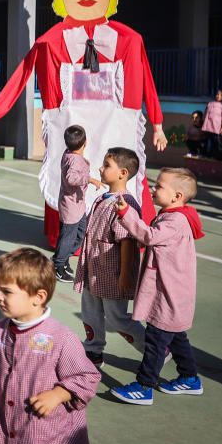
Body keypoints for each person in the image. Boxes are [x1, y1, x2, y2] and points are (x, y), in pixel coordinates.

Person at [0, 0, 166, 250]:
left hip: (116, 125)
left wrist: (156, 122)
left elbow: (146, 80)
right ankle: (72, 240)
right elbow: (21, 76)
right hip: (70, 125)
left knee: (120, 176)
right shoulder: (51, 40)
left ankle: (124, 231)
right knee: (72, 181)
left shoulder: (129, 40)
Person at [0, 248, 100, 444]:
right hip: (6, 431)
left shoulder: (61, 338)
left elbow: (87, 378)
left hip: (44, 436)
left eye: (7, 291)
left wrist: (57, 395)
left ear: (38, 297)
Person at [111, 168, 205, 404]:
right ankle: (190, 377)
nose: (154, 188)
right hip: (172, 293)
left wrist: (126, 214)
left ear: (177, 196)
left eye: (160, 186)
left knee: (155, 341)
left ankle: (144, 386)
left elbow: (149, 236)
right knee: (175, 337)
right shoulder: (175, 215)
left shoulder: (174, 221)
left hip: (168, 294)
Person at [73, 148, 146, 366]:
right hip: (93, 270)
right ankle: (93, 351)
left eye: (106, 165)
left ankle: (154, 350)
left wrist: (125, 275)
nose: (101, 168)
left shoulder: (126, 204)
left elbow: (127, 242)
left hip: (112, 273)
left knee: (117, 318)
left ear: (123, 173)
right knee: (90, 312)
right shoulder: (103, 198)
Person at [52, 125, 104, 282]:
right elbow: (71, 178)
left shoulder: (68, 154)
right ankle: (58, 265)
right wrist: (89, 179)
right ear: (85, 143)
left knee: (80, 233)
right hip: (71, 206)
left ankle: (63, 258)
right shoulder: (75, 160)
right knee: (68, 237)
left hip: (76, 205)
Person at [201, 89, 222, 158]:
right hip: (208, 126)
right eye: (217, 94)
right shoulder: (210, 103)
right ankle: (206, 154)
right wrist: (203, 122)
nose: (218, 96)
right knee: (207, 141)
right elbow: (205, 113)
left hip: (216, 128)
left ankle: (215, 155)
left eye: (221, 95)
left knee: (216, 142)